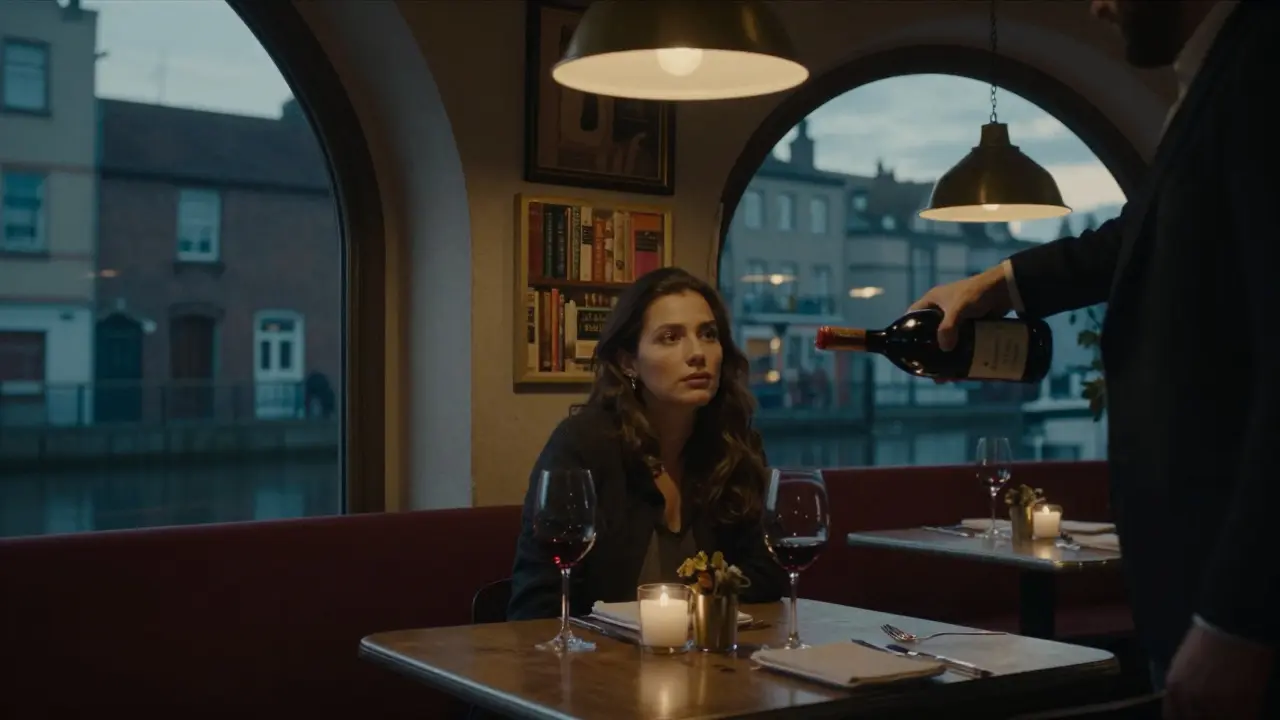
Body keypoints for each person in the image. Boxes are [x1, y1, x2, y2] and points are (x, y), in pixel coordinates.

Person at [909, 2, 1276, 717]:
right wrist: (999, 283)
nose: (1093, 4)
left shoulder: (1265, 63)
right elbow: (1136, 236)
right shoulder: (1221, 75)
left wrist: (1242, 620)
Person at [507, 268, 786, 620]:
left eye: (708, 334)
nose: (697, 353)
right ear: (629, 362)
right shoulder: (583, 445)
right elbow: (537, 605)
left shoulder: (733, 444)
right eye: (670, 337)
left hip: (710, 660)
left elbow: (766, 580)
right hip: (599, 663)